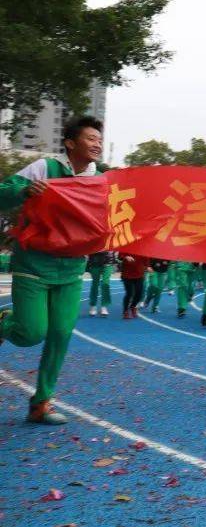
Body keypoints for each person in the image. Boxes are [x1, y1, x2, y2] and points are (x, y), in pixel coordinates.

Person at [0, 115, 103, 424]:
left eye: (99, 139)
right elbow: (3, 192)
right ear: (70, 143)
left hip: (72, 268)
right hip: (34, 263)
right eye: (90, 138)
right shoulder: (44, 168)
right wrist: (24, 190)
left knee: (60, 334)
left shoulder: (101, 180)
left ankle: (41, 403)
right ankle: (3, 321)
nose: (97, 144)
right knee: (31, 333)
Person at [86, 251, 116, 317]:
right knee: (95, 284)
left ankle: (104, 306)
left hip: (108, 262)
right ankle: (93, 305)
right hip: (95, 261)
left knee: (105, 283)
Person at [119, 254, 149, 319]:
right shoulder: (126, 245)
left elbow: (146, 262)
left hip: (139, 275)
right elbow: (120, 256)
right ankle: (125, 311)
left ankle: (133, 306)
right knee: (129, 293)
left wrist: (147, 267)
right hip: (127, 275)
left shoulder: (143, 248)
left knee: (139, 293)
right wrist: (126, 257)